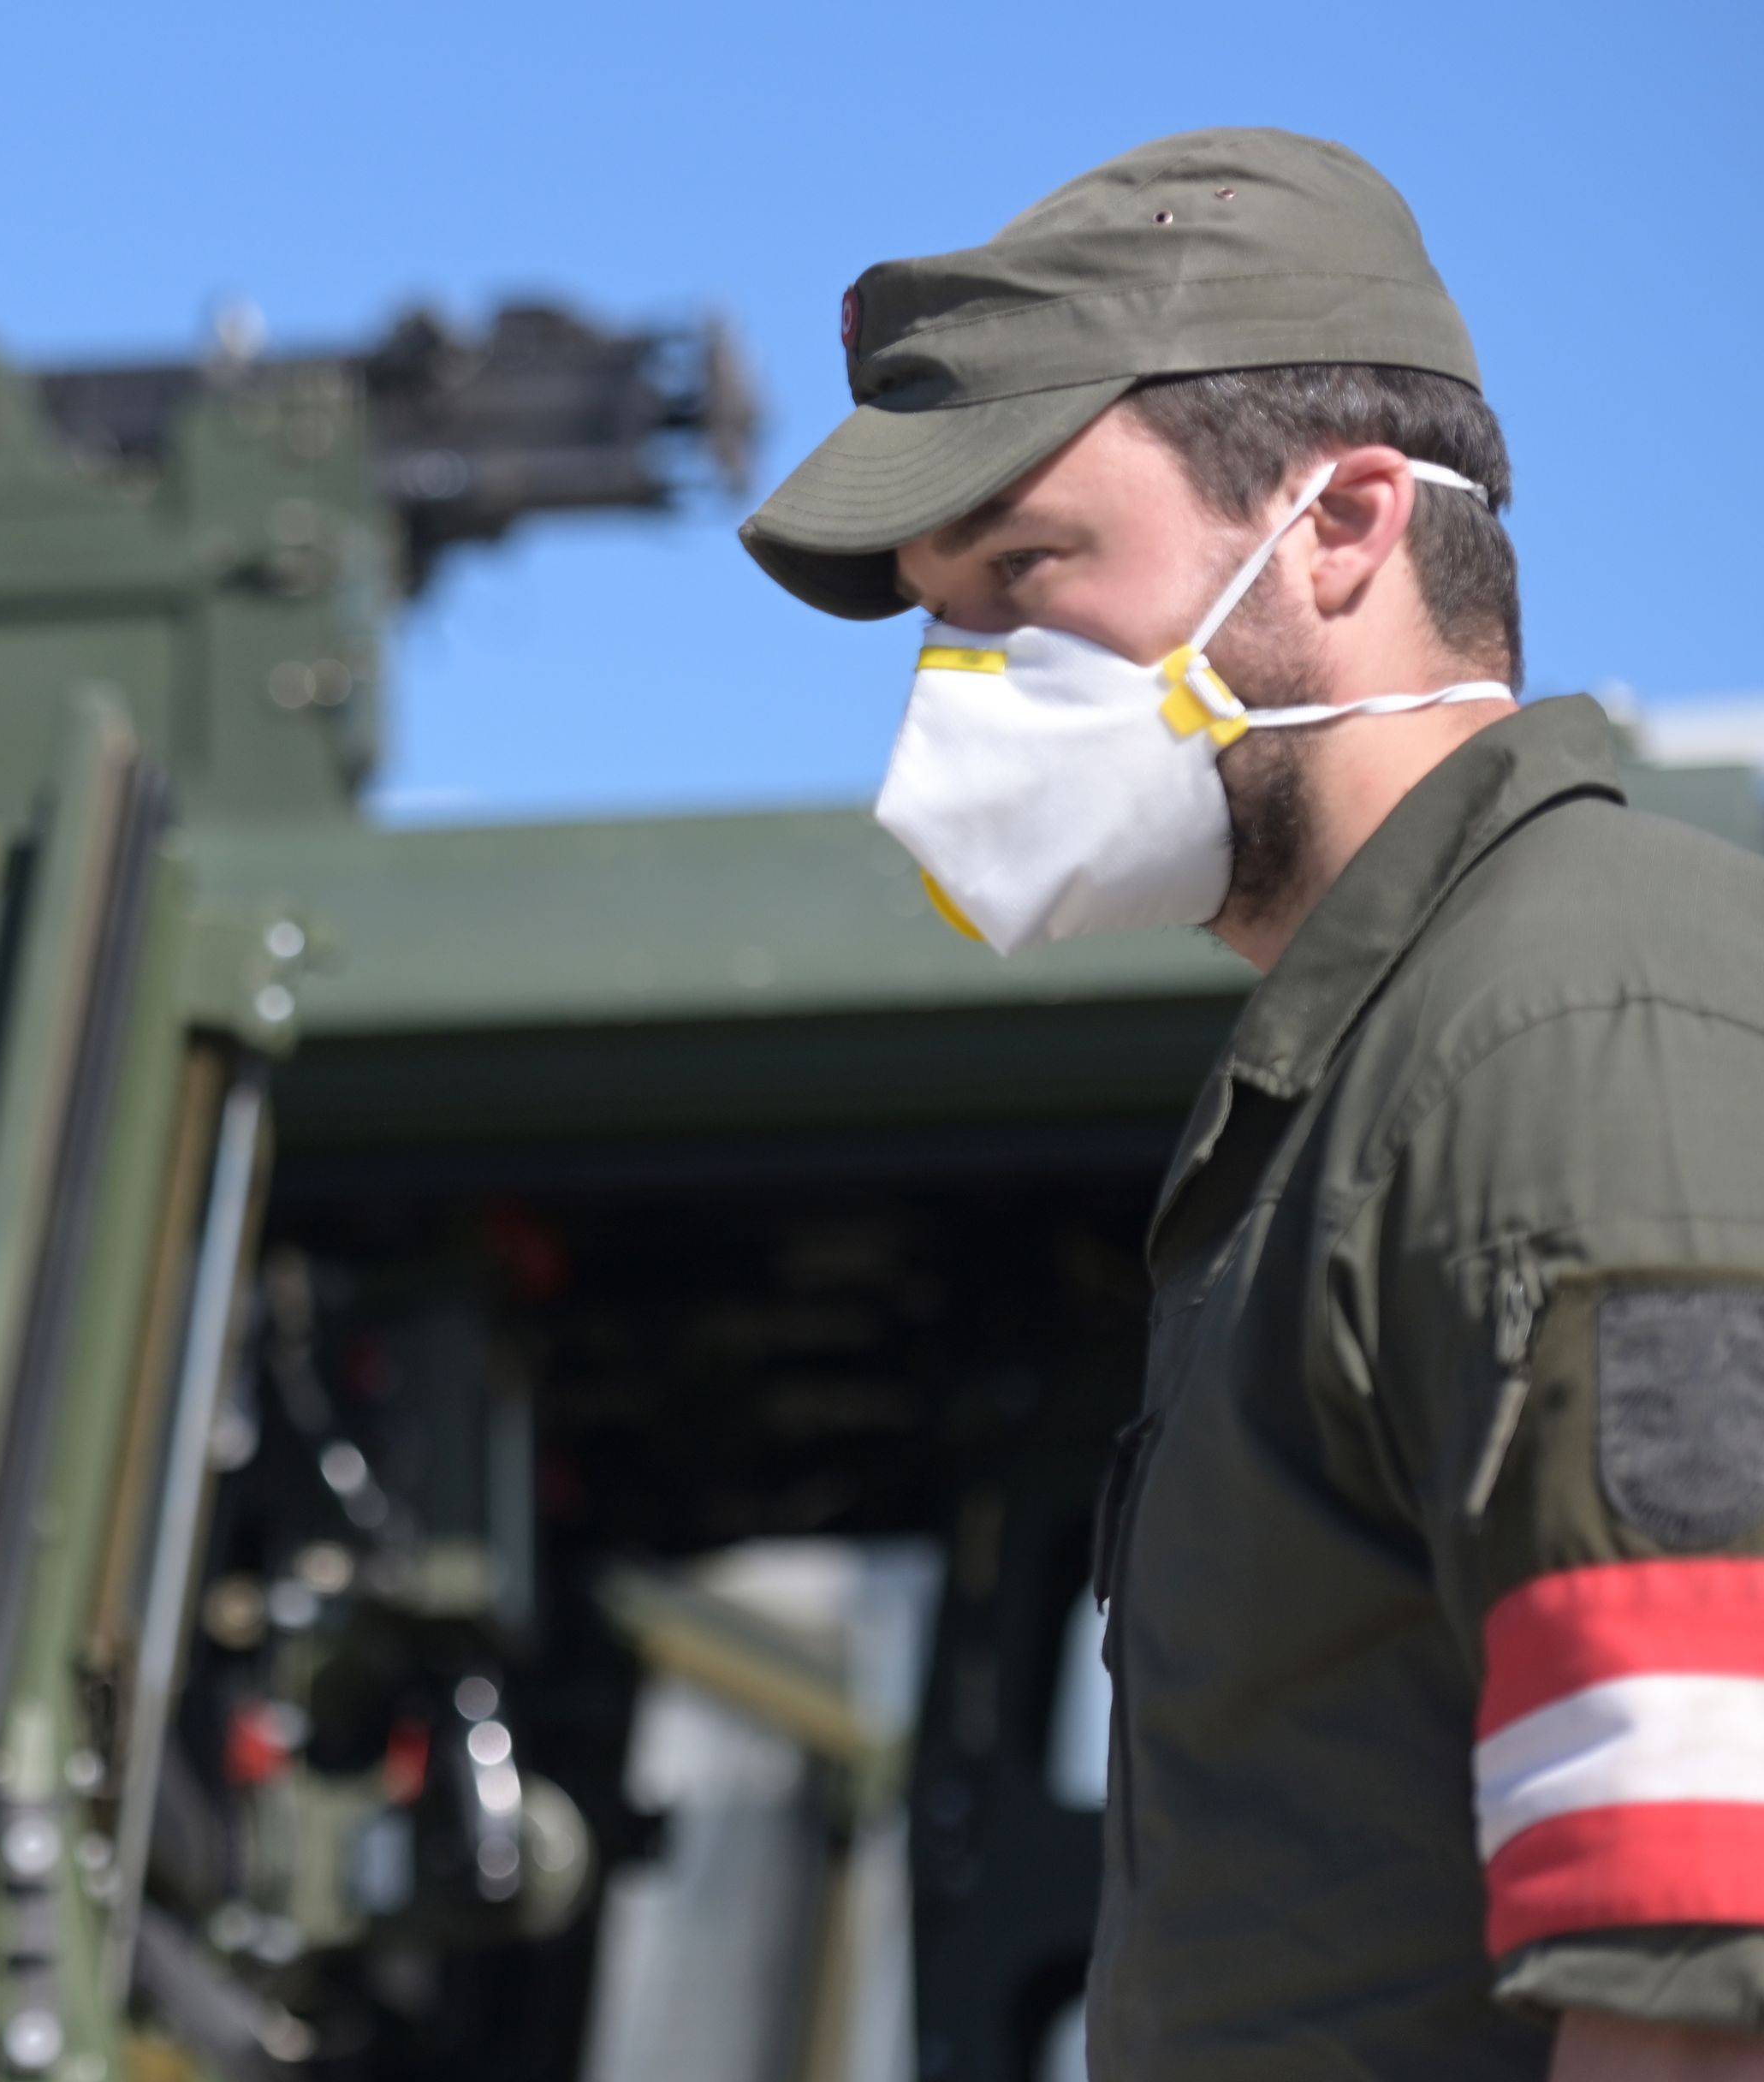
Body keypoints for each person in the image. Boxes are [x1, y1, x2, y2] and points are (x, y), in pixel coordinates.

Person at [743, 131, 1764, 2078]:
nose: (967, 682)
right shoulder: (1370, 1069)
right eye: (944, 613)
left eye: (1028, 569)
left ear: (1344, 525)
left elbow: (1700, 1963)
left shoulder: (1566, 1031)